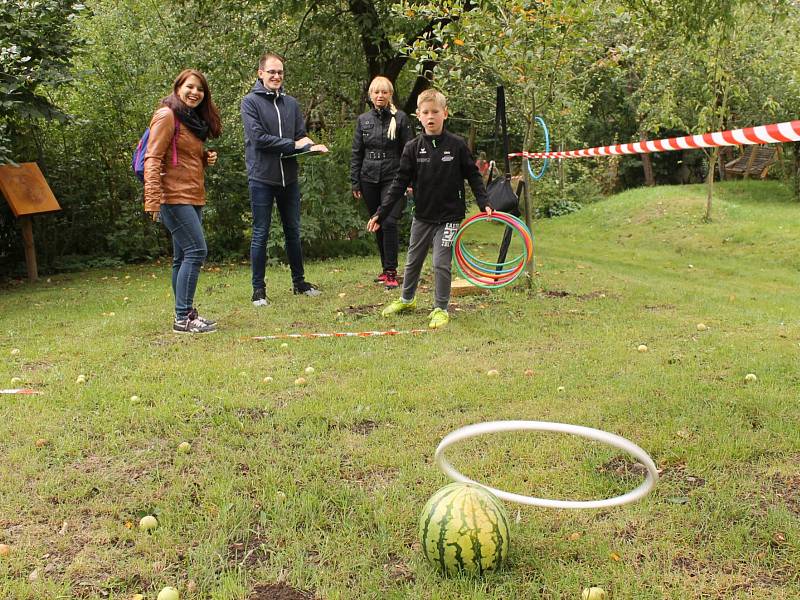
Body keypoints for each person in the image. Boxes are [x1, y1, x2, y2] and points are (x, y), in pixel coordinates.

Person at [367, 89, 491, 329]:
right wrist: (381, 214)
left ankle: (441, 308)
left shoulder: (457, 145)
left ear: (445, 114)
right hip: (423, 216)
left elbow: (474, 176)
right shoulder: (412, 148)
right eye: (425, 112)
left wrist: (484, 202)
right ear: (418, 116)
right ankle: (406, 299)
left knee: (440, 263)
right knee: (413, 260)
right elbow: (399, 183)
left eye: (435, 112)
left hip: (450, 217)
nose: (430, 116)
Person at [241, 52, 328, 306]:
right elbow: (259, 140)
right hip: (262, 178)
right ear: (260, 74)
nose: (276, 76)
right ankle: (258, 291)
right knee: (260, 233)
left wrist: (311, 146)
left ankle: (299, 283)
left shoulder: (291, 103)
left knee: (293, 231)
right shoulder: (250, 102)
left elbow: (301, 137)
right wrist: (294, 144)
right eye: (271, 72)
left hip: (288, 179)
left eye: (280, 72)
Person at [144, 69, 222, 334]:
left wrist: (205, 157)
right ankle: (183, 318)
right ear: (178, 87)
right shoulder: (167, 116)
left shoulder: (190, 120)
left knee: (181, 257)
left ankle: (184, 313)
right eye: (190, 87)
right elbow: (152, 158)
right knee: (197, 250)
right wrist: (152, 199)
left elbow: (181, 156)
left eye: (200, 89)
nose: (195, 93)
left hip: (192, 194)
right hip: (172, 196)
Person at [350, 76, 414, 289]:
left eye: (384, 92)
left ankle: (391, 271)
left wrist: (411, 181)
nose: (380, 96)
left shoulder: (401, 118)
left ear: (390, 95)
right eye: (376, 92)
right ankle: (384, 269)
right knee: (376, 223)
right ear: (370, 95)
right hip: (368, 177)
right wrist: (355, 182)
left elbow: (409, 151)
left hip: (393, 177)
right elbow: (357, 152)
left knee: (388, 221)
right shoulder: (363, 120)